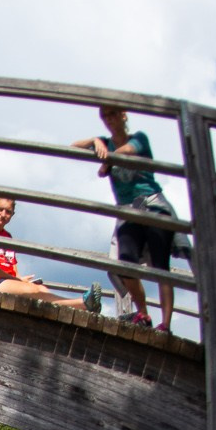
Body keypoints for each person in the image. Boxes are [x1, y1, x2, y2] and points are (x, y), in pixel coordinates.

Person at [72, 106, 175, 330]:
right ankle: (144, 314)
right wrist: (94, 141)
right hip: (128, 208)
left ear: (123, 115)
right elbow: (71, 147)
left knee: (160, 265)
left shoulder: (139, 138)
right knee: (123, 262)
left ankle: (165, 324)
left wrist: (107, 159)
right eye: (105, 116)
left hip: (151, 202)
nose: (109, 120)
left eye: (113, 114)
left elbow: (127, 150)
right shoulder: (105, 142)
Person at [0, 197, 100, 311]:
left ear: (13, 213)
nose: (3, 214)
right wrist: (16, 280)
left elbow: (14, 270)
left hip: (6, 281)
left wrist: (21, 279)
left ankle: (82, 306)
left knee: (42, 289)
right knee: (34, 291)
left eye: (8, 211)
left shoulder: (7, 236)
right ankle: (82, 303)